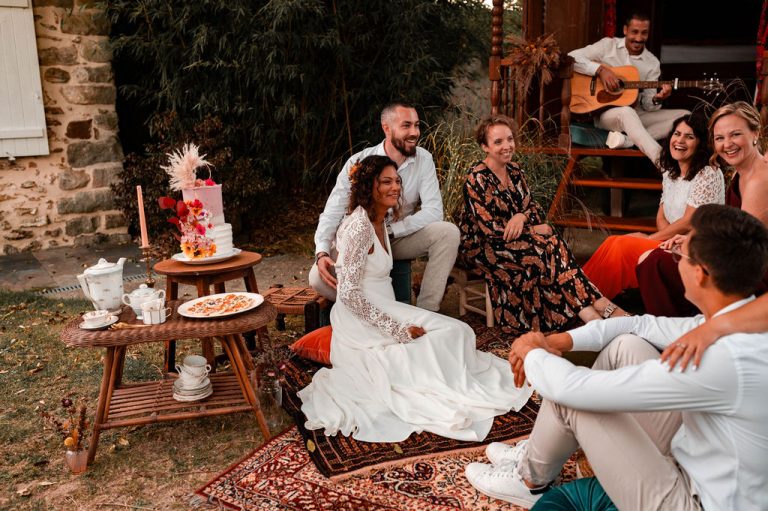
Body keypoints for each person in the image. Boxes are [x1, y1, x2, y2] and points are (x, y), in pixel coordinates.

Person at [465, 204, 768, 510]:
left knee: (576, 399)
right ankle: (537, 450)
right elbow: (639, 323)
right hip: (695, 459)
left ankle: (529, 481)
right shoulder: (721, 326)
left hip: (698, 501)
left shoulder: (719, 358)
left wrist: (531, 351)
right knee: (625, 345)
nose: (675, 261)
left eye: (680, 255)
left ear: (701, 274)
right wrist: (558, 340)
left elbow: (574, 388)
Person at [298, 155, 533, 442]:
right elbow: (348, 296)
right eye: (386, 181)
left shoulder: (379, 221)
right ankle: (446, 386)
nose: (395, 187)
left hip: (387, 308)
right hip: (362, 320)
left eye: (397, 181)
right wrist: (398, 330)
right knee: (445, 338)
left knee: (459, 332)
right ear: (367, 186)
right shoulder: (358, 227)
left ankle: (453, 378)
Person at [459, 115, 613, 333]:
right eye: (498, 142)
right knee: (546, 247)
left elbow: (533, 208)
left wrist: (521, 217)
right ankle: (594, 308)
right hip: (483, 246)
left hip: (515, 239)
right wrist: (532, 228)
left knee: (550, 243)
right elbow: (490, 230)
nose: (507, 146)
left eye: (510, 139)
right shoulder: (476, 178)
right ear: (484, 146)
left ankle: (589, 313)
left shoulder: (515, 171)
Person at [310, 102, 459, 312]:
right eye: (406, 125)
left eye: (417, 125)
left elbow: (434, 211)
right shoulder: (359, 162)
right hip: (361, 238)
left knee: (448, 233)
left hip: (397, 236)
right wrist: (322, 252)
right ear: (386, 128)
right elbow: (332, 212)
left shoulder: (423, 159)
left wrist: (391, 230)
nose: (414, 132)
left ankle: (426, 311)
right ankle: (371, 308)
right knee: (316, 277)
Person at [637, 101, 768, 316]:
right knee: (659, 258)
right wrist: (692, 237)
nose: (727, 144)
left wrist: (693, 246)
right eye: (719, 138)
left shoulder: (759, 179)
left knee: (656, 263)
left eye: (735, 135)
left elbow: (742, 244)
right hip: (736, 257)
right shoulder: (741, 171)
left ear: (755, 132)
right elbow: (729, 225)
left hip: (752, 274)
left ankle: (679, 328)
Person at [582, 114, 724, 299]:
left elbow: (689, 222)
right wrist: (664, 243)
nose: (680, 140)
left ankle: (584, 300)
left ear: (701, 144)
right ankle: (576, 290)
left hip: (695, 250)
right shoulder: (671, 173)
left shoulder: (708, 172)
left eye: (689, 137)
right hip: (672, 243)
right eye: (677, 134)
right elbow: (661, 217)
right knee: (613, 242)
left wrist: (652, 239)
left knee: (621, 247)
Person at [569, 12, 689, 164]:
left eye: (644, 33)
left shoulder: (652, 62)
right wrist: (600, 70)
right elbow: (571, 57)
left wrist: (657, 99)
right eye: (634, 32)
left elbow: (647, 105)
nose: (639, 38)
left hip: (638, 114)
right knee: (627, 112)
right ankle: (662, 163)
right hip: (606, 114)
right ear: (625, 30)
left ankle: (627, 140)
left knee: (686, 117)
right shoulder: (608, 46)